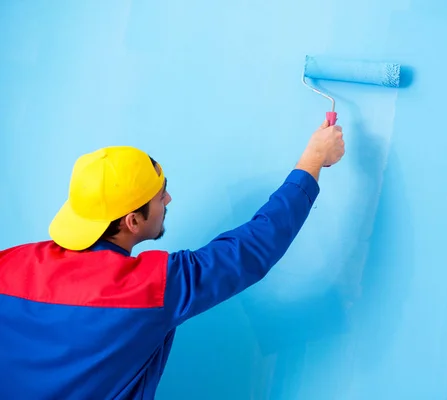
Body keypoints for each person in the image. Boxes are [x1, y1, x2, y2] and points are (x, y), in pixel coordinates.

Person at [0, 120, 345, 399]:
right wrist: (313, 160)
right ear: (131, 221)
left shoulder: (8, 264)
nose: (168, 198)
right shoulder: (152, 287)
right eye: (158, 195)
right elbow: (254, 247)